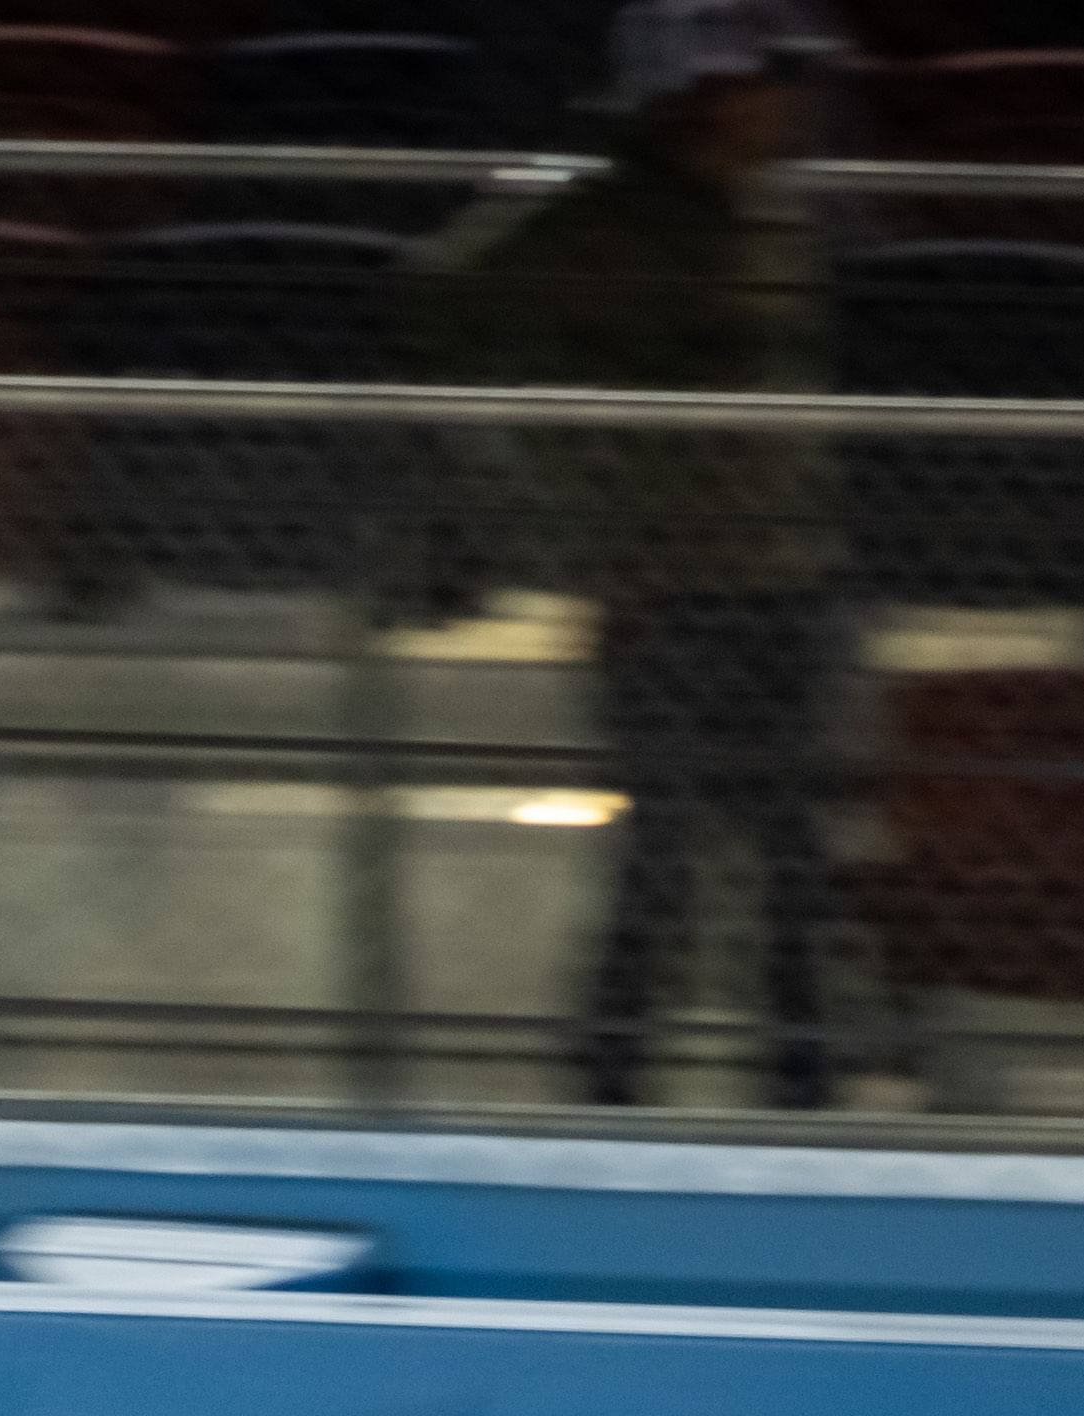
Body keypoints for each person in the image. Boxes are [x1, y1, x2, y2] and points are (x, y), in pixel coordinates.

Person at [425, 0, 840, 1109]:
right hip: (670, 588)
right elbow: (444, 315)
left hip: (789, 577)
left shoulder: (781, 214)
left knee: (794, 856)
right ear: (707, 94)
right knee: (661, 862)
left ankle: (800, 1080)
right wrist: (577, 520)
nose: (795, 103)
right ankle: (610, 1082)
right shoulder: (600, 215)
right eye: (772, 80)